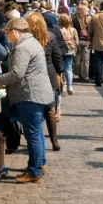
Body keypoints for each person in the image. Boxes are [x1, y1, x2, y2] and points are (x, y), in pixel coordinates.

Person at [0, 19, 53, 184]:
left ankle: (35, 171)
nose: (7, 36)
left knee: (32, 134)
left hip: (30, 95)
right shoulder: (32, 42)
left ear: (15, 32)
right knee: (36, 132)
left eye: (8, 33)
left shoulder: (23, 47)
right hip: (36, 93)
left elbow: (17, 74)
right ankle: (37, 164)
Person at [26, 12, 62, 152]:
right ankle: (54, 139)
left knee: (36, 108)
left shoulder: (28, 40)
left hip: (34, 74)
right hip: (49, 72)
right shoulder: (51, 37)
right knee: (49, 109)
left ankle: (38, 139)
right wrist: (60, 73)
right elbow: (58, 58)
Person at [58, 14, 78, 95]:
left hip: (61, 51)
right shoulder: (73, 30)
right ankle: (69, 86)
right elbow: (77, 42)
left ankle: (61, 86)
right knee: (69, 68)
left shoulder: (59, 30)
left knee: (60, 68)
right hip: (70, 51)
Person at [72, 3, 92, 82]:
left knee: (77, 58)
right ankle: (85, 76)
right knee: (86, 60)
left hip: (77, 40)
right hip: (86, 40)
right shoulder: (88, 18)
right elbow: (91, 29)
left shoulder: (73, 18)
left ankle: (77, 74)